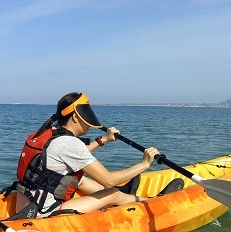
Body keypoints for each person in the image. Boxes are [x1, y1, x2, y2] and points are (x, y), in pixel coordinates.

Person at [11, 92, 183, 218]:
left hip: (25, 204)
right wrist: (144, 164)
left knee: (79, 179)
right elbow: (108, 180)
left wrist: (104, 140)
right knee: (112, 192)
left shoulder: (44, 133)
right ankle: (154, 202)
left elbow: (70, 156)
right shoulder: (69, 143)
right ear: (76, 118)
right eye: (85, 115)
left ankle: (123, 194)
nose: (89, 121)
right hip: (43, 213)